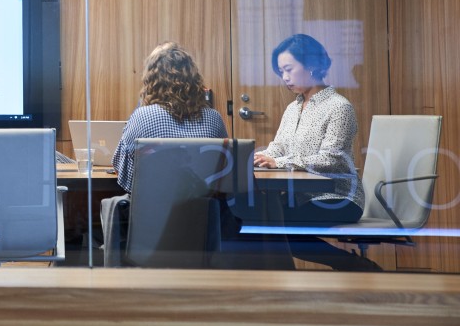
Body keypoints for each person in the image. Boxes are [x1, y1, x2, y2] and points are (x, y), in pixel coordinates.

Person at [253, 34, 375, 270]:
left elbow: (331, 158)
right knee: (256, 217)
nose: (285, 77)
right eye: (281, 72)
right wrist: (259, 158)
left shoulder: (339, 107)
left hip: (339, 198)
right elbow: (278, 147)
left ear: (311, 65)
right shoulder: (293, 107)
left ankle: (352, 264)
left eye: (288, 69)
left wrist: (279, 163)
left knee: (276, 225)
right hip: (301, 197)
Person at [111, 41, 227, 193]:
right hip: (204, 214)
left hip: (153, 214)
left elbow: (121, 170)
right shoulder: (214, 118)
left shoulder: (142, 117)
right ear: (194, 79)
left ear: (151, 80)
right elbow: (225, 170)